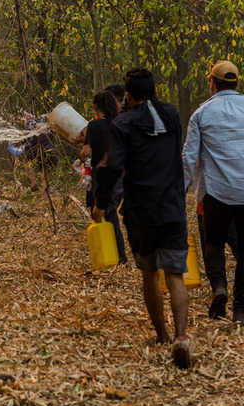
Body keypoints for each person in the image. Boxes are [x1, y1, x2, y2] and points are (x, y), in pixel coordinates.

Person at [92, 68, 191, 369]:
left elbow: (112, 167)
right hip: (172, 206)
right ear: (156, 91)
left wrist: (101, 203)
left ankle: (161, 335)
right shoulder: (172, 114)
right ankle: (182, 338)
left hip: (141, 210)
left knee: (150, 274)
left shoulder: (122, 123)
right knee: (175, 275)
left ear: (128, 96)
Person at [182, 60, 244, 325]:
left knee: (214, 242)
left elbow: (189, 157)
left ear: (211, 83)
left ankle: (219, 287)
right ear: (237, 83)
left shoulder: (201, 114)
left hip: (217, 192)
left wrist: (178, 190)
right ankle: (240, 312)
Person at [80, 90, 127, 265]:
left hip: (103, 174)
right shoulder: (119, 123)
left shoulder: (94, 125)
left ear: (95, 107)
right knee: (110, 212)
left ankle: (118, 257)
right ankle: (114, 255)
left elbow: (85, 152)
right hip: (121, 174)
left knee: (106, 213)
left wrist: (82, 158)